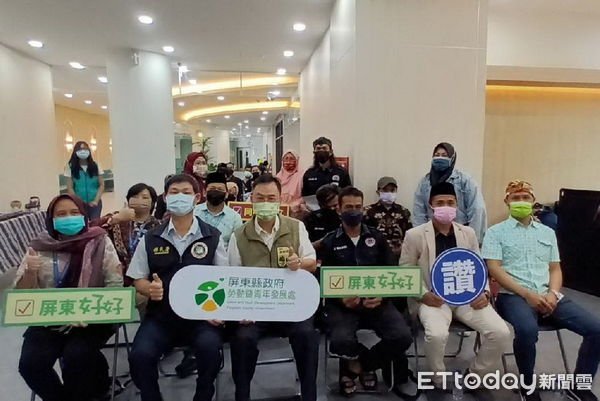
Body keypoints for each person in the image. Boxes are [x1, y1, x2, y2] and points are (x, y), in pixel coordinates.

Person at [482, 180, 600, 401]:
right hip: (513, 296)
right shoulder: (495, 232)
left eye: (525, 197)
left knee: (597, 329)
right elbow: (494, 269)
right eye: (515, 198)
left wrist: (553, 294)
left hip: (548, 294)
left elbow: (555, 268)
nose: (521, 201)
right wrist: (527, 294)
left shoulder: (547, 233)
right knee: (527, 330)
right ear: (507, 201)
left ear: (533, 201)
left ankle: (579, 386)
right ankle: (527, 384)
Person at [400, 182, 510, 393]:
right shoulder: (415, 235)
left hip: (467, 297)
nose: (446, 206)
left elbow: (479, 266)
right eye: (440, 202)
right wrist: (423, 295)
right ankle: (438, 378)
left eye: (450, 202)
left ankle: (475, 375)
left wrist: (485, 292)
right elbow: (405, 270)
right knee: (436, 335)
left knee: (500, 332)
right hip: (433, 298)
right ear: (431, 205)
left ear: (457, 205)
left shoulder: (468, 233)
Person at [127, 174, 228, 401]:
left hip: (201, 318)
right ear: (165, 197)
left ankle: (203, 395)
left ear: (197, 198)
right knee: (139, 356)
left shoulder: (212, 236)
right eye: (174, 192)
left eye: (186, 192)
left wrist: (217, 311)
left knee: (211, 350)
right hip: (161, 317)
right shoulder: (151, 238)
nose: (179, 197)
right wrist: (149, 289)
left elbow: (224, 278)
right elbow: (137, 278)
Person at [15, 194, 123, 401]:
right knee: (30, 364)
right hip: (48, 319)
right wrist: (30, 272)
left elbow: (115, 284)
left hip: (92, 317)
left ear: (84, 216)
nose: (68, 218)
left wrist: (90, 313)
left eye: (74, 213)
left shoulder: (99, 241)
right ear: (51, 219)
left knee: (76, 357)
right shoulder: (39, 246)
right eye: (61, 214)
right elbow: (22, 296)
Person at [227, 174, 319, 401]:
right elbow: (232, 276)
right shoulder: (239, 235)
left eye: (271, 198)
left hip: (290, 304)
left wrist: (299, 263)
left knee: (307, 335)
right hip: (255, 308)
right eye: (260, 198)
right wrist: (241, 310)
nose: (266, 203)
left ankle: (309, 395)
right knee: (242, 339)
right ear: (251, 199)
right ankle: (242, 395)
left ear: (280, 200)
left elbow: (312, 262)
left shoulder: (296, 227)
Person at [318, 187, 416, 399]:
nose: (353, 211)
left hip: (376, 302)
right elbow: (320, 279)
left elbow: (392, 273)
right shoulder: (329, 241)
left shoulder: (377, 238)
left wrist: (382, 296)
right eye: (348, 207)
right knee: (340, 340)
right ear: (339, 209)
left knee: (402, 336)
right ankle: (361, 365)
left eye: (357, 207)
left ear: (363, 209)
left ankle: (359, 366)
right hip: (342, 306)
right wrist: (340, 298)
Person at [413, 142, 487, 243]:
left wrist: (473, 238)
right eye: (437, 155)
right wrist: (420, 238)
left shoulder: (464, 180)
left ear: (452, 158)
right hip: (432, 235)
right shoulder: (425, 182)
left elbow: (477, 209)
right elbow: (419, 212)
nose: (440, 158)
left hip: (461, 234)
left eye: (444, 155)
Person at [93, 183, 161, 292]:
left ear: (152, 202)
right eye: (135, 196)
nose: (139, 200)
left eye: (145, 197)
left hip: (147, 283)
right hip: (117, 281)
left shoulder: (159, 226)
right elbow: (91, 231)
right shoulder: (117, 218)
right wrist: (116, 219)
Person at [364, 176, 412, 261]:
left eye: (392, 190)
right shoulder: (368, 212)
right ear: (378, 192)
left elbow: (410, 235)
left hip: (398, 256)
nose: (389, 193)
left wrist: (403, 248)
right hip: (374, 256)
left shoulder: (404, 212)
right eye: (385, 190)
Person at [194, 172, 243, 248]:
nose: (216, 191)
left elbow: (237, 245)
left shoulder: (235, 218)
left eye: (220, 189)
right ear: (204, 192)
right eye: (212, 189)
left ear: (226, 194)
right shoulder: (194, 212)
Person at [65, 141, 104, 219]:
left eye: (85, 149)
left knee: (95, 223)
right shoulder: (70, 167)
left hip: (95, 203)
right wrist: (77, 202)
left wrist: (96, 201)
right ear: (75, 151)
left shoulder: (96, 166)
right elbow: (70, 187)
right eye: (80, 149)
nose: (83, 151)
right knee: (83, 223)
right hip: (79, 204)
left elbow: (101, 185)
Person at [276, 150, 306, 217]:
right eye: (286, 158)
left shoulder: (303, 175)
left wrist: (295, 204)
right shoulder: (278, 177)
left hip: (297, 212)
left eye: (291, 159)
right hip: (280, 211)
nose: (288, 162)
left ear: (297, 160)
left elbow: (306, 196)